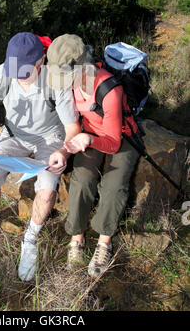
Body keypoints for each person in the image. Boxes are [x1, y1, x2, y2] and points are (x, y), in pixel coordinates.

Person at [0, 32, 80, 281]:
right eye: (15, 71)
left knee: (46, 192)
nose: (19, 78)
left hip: (50, 138)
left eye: (25, 73)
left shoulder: (56, 80)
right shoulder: (3, 72)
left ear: (41, 61)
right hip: (13, 134)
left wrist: (63, 151)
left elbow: (72, 130)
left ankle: (31, 237)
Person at [46, 34, 140, 278]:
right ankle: (77, 237)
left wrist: (89, 140)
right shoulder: (68, 84)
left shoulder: (109, 89)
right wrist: (65, 150)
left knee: (114, 184)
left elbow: (113, 142)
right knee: (81, 179)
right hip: (89, 134)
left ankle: (104, 242)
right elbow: (72, 126)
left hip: (120, 136)